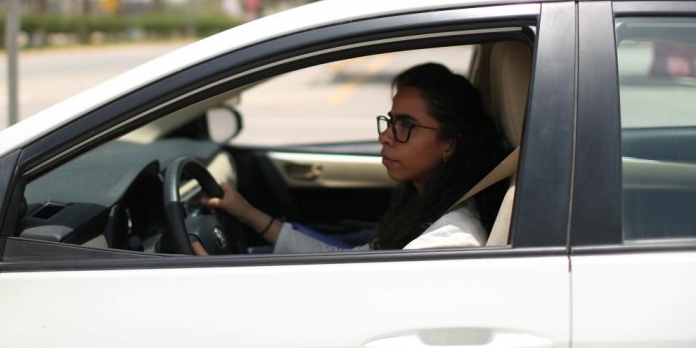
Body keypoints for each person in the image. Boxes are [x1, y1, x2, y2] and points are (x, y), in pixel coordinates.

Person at [199, 62, 510, 254]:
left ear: (449, 144)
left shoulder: (448, 239)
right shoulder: (424, 208)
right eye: (390, 122)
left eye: (406, 125)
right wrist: (247, 213)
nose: (384, 136)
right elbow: (347, 260)